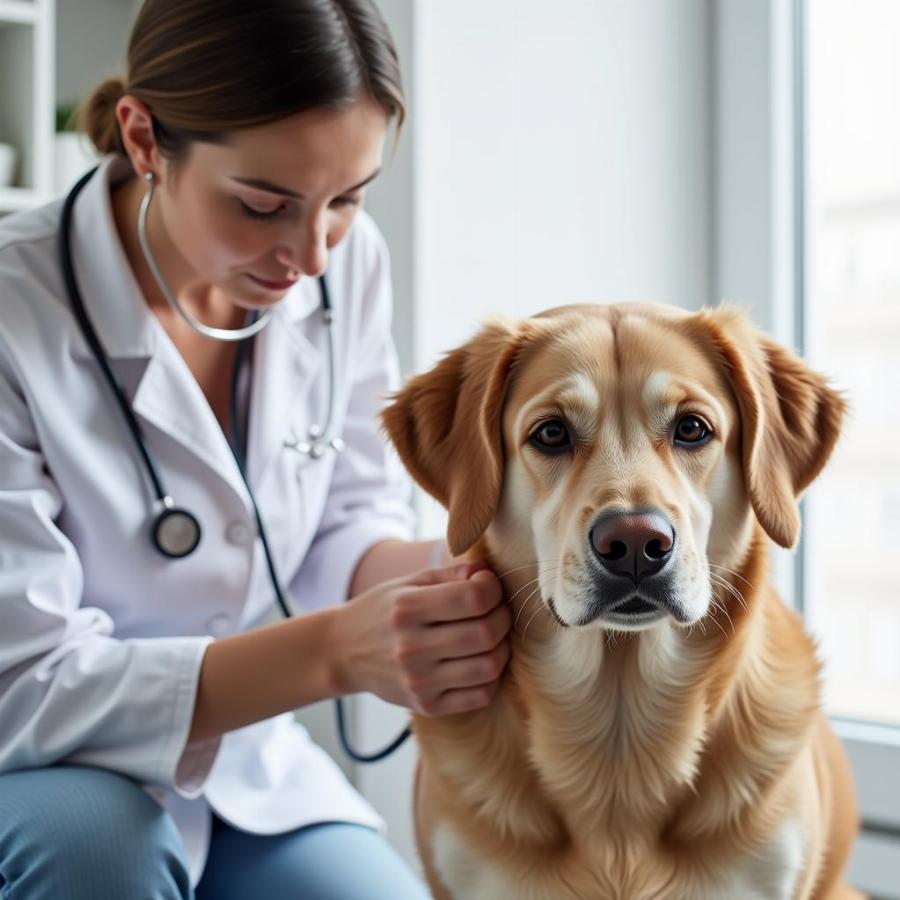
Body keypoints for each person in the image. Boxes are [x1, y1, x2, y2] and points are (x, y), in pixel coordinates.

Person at [0, 1, 512, 897]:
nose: (311, 256)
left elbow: (346, 526)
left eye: (348, 200)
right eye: (263, 204)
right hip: (37, 766)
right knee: (99, 854)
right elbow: (25, 681)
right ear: (145, 137)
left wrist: (478, 569)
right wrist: (334, 655)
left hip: (243, 771)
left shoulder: (347, 268)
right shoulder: (16, 308)